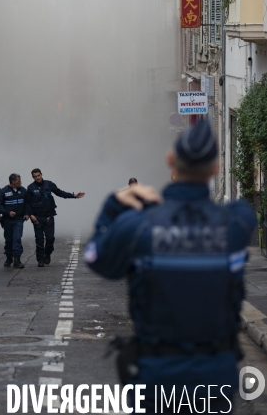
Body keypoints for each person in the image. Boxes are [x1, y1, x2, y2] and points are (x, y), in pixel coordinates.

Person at [85, 119, 257, 413]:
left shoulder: (139, 225)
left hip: (157, 374)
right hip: (216, 376)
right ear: (216, 168)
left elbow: (96, 258)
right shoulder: (236, 223)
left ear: (171, 161)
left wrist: (114, 206)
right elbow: (240, 208)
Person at [26, 168, 85, 267]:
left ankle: (47, 253)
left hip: (48, 216)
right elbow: (27, 203)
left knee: (50, 238)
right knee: (39, 239)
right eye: (35, 176)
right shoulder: (30, 188)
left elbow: (60, 193)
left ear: (41, 174)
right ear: (32, 177)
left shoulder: (49, 184)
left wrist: (74, 195)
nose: (37, 178)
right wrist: (31, 214)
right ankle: (40, 260)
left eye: (38, 175)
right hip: (37, 217)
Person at [0, 173, 30, 269]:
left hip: (19, 219)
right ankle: (9, 257)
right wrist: (7, 212)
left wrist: (27, 213)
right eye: (18, 181)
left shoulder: (23, 191)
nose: (20, 183)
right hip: (7, 220)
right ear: (13, 182)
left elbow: (27, 203)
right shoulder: (3, 192)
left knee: (17, 238)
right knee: (9, 240)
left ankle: (17, 259)